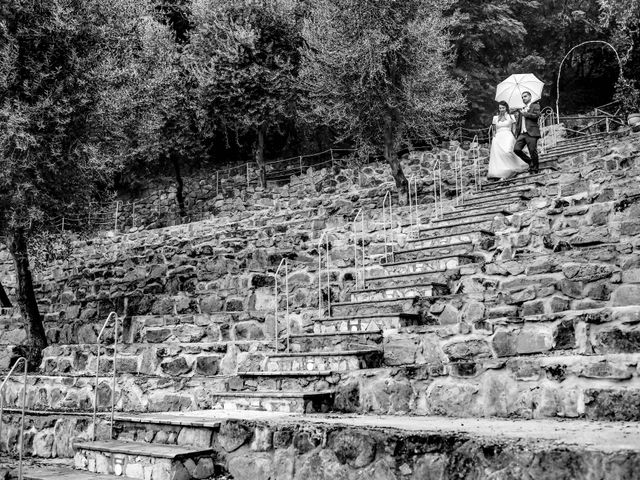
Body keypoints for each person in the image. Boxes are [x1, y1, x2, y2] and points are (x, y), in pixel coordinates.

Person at [487, 100, 528, 180]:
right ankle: (504, 170)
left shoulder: (511, 117)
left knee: (508, 150)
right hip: (498, 137)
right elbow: (494, 130)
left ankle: (516, 165)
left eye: (503, 108)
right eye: (500, 108)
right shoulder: (495, 118)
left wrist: (515, 137)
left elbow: (514, 128)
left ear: (506, 108)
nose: (501, 109)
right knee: (500, 154)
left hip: (508, 135)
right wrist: (494, 137)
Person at [512, 91, 541, 174]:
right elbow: (519, 122)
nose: (523, 98)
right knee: (516, 149)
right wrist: (517, 133)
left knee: (532, 151)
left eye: (525, 96)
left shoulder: (535, 105)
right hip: (522, 133)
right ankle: (530, 162)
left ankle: (535, 169)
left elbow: (536, 116)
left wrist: (525, 113)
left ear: (530, 97)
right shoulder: (521, 108)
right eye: (522, 97)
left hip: (532, 132)